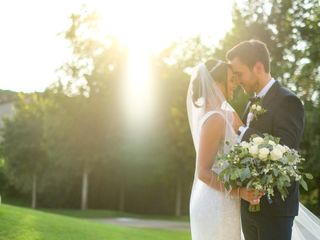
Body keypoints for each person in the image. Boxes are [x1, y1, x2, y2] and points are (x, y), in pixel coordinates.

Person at [187, 59, 262, 240]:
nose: (235, 84)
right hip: (216, 202)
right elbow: (203, 173)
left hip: (224, 199)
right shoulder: (215, 119)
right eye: (231, 80)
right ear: (216, 84)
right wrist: (239, 192)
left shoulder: (224, 115)